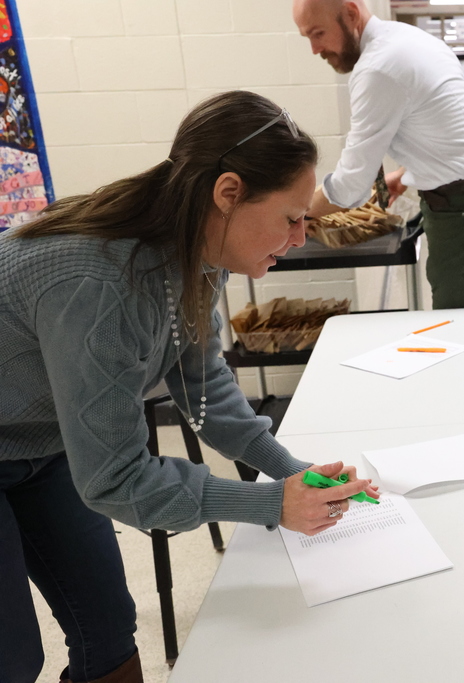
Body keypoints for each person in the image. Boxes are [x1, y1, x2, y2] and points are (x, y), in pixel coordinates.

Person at [0, 91, 378, 683]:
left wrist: (289, 471)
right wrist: (273, 505)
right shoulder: (98, 282)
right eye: (291, 217)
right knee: (12, 655)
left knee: (106, 625)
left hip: (37, 443)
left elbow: (204, 385)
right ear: (227, 193)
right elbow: (116, 479)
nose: (302, 236)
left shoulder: (198, 255)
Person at [292, 0, 464, 310]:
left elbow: (350, 185)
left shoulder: (377, 68)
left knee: (458, 328)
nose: (315, 49)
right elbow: (450, 131)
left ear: (351, 14)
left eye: (318, 33)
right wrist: (407, 174)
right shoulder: (408, 39)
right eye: (306, 37)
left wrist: (297, 212)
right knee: (462, 317)